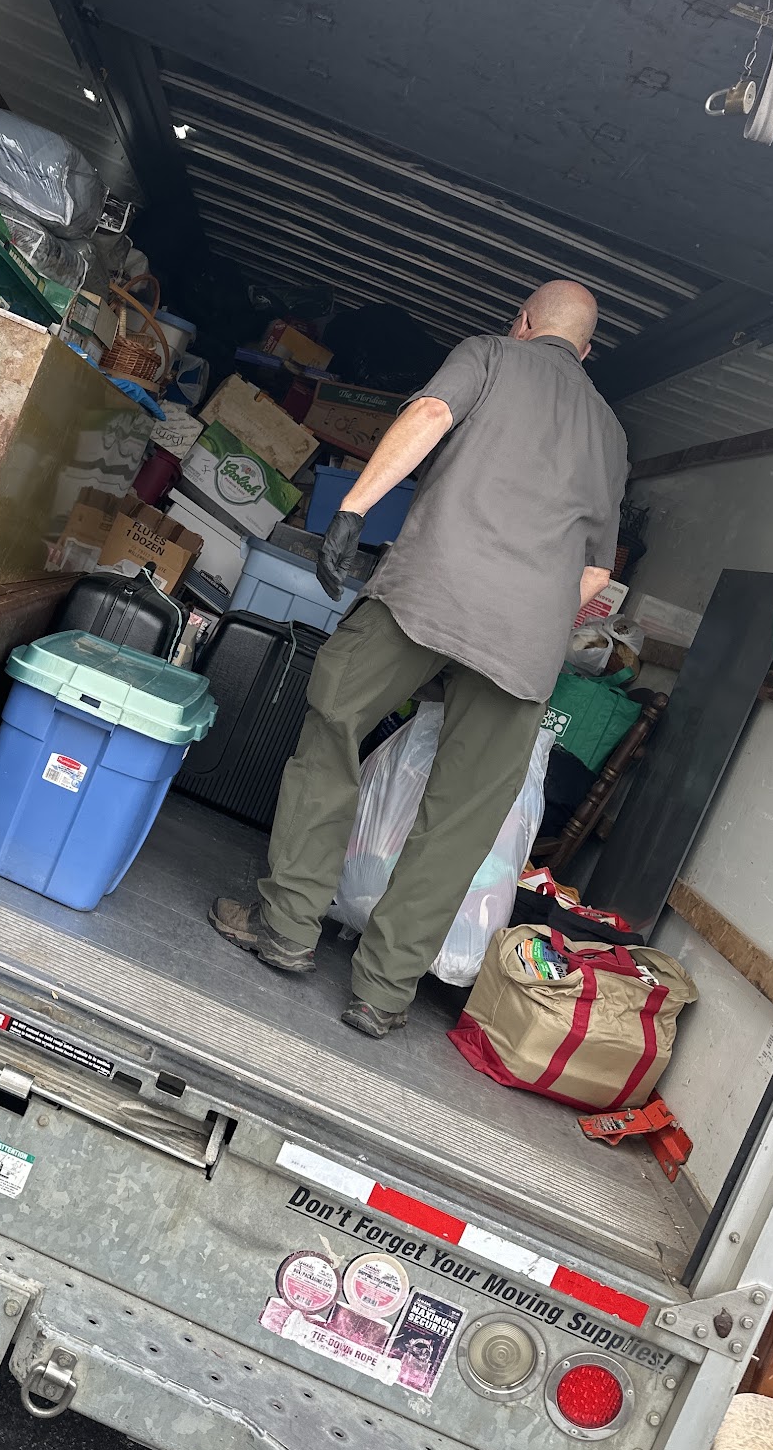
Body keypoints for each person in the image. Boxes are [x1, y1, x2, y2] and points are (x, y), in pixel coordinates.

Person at [209, 280, 628, 1038]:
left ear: (522, 321)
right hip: (526, 642)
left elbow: (430, 414)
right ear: (589, 351)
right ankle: (383, 991)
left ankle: (287, 927)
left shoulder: (490, 355)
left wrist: (352, 509)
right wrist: (526, 618)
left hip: (428, 592)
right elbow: (597, 570)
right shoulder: (610, 431)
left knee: (335, 724)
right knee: (463, 814)